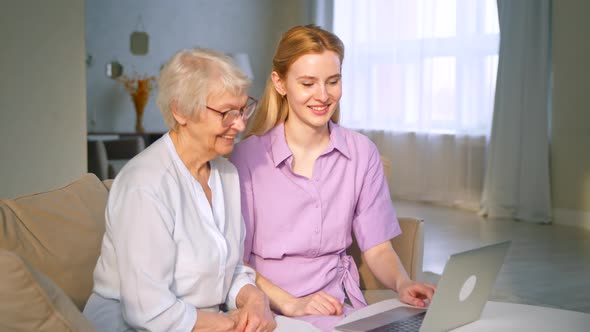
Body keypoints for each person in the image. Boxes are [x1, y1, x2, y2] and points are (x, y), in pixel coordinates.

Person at [228, 25, 436, 331]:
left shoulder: (362, 153)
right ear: (280, 83)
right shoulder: (246, 159)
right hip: (267, 308)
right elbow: (235, 264)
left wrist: (402, 283)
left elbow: (378, 248)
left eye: (333, 81)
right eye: (308, 83)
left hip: (336, 310)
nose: (323, 95)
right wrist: (291, 302)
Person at [83, 48, 276, 332]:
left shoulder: (227, 174)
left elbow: (229, 268)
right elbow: (148, 310)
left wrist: (256, 300)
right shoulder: (145, 184)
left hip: (206, 321)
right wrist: (227, 324)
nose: (240, 123)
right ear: (180, 110)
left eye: (243, 108)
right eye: (226, 113)